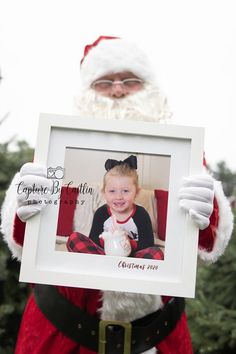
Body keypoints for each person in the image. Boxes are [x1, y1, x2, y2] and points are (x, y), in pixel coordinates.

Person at [1, 36, 233, 354]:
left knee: (150, 253)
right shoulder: (53, 151)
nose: (118, 89)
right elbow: (25, 240)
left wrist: (209, 211)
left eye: (130, 80)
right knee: (77, 242)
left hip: (156, 337)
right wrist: (23, 205)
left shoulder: (185, 158)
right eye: (104, 82)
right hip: (60, 335)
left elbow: (202, 243)